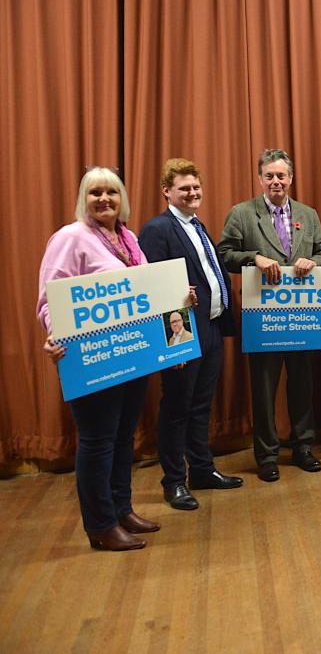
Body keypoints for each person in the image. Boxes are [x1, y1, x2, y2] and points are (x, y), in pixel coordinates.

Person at [37, 167, 162, 550]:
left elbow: (145, 290)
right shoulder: (69, 238)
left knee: (124, 437)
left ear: (121, 197)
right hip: (91, 357)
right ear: (84, 199)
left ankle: (121, 508)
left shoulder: (128, 237)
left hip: (131, 354)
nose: (104, 199)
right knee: (98, 440)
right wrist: (54, 334)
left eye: (111, 192)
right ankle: (100, 525)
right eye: (95, 193)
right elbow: (49, 301)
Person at [217, 149, 321, 481]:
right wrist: (254, 258)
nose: (276, 181)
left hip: (304, 317)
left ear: (291, 179)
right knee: (264, 390)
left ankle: (303, 447)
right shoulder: (241, 213)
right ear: (260, 178)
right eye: (270, 176)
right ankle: (266, 456)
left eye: (282, 176)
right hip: (263, 318)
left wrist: (314, 262)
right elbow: (224, 254)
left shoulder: (308, 215)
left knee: (302, 385)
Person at [138, 158, 242, 512]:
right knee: (177, 409)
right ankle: (174, 482)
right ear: (167, 191)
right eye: (185, 188)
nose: (193, 193)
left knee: (200, 406)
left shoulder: (197, 226)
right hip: (182, 335)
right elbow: (156, 289)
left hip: (210, 328)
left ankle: (202, 470)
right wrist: (173, 345)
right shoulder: (157, 229)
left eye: (196, 187)